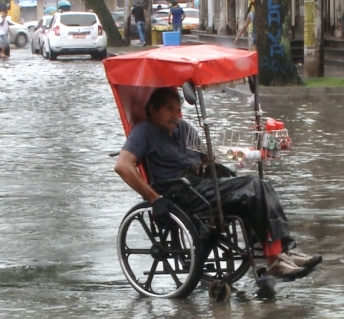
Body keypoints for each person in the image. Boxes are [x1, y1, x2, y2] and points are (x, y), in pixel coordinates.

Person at [114, 87, 323, 279]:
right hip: (179, 191)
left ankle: (283, 249)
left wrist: (206, 165)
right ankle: (277, 257)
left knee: (260, 186)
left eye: (177, 110)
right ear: (153, 109)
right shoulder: (144, 132)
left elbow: (208, 158)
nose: (175, 116)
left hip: (201, 184)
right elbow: (123, 166)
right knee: (254, 186)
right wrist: (154, 198)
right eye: (169, 109)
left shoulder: (184, 129)